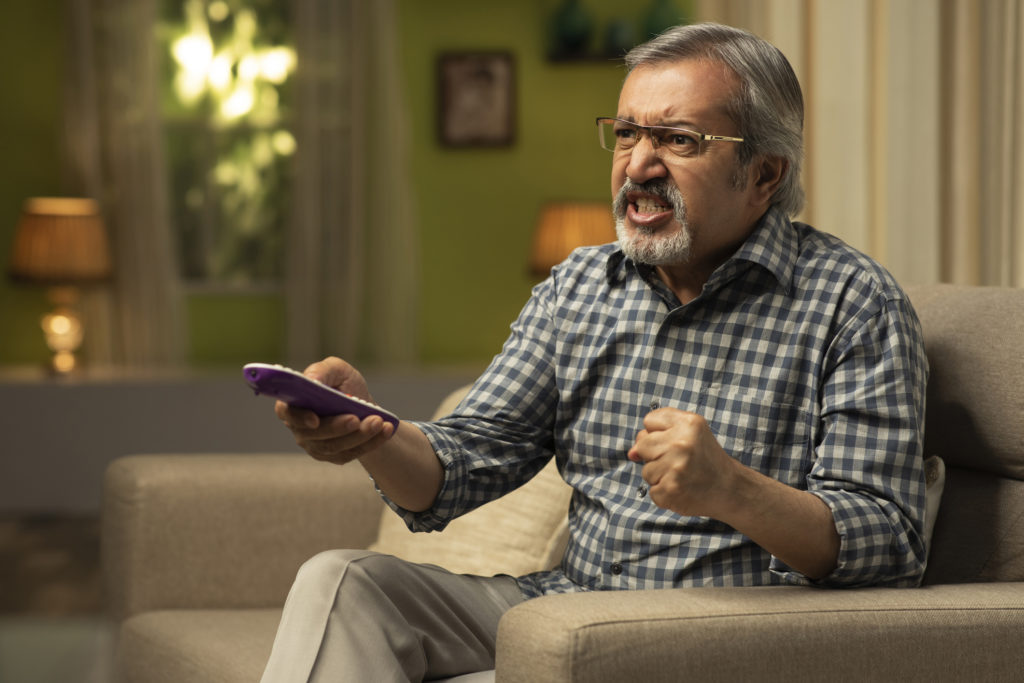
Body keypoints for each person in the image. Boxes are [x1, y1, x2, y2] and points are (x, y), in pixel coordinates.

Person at [260, 22, 929, 682]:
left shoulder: (854, 302)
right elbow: (461, 466)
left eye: (677, 139)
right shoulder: (582, 286)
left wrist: (731, 488)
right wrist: (366, 429)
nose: (638, 164)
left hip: (721, 632)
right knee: (344, 580)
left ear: (764, 173)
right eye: (628, 132)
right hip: (567, 610)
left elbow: (886, 542)